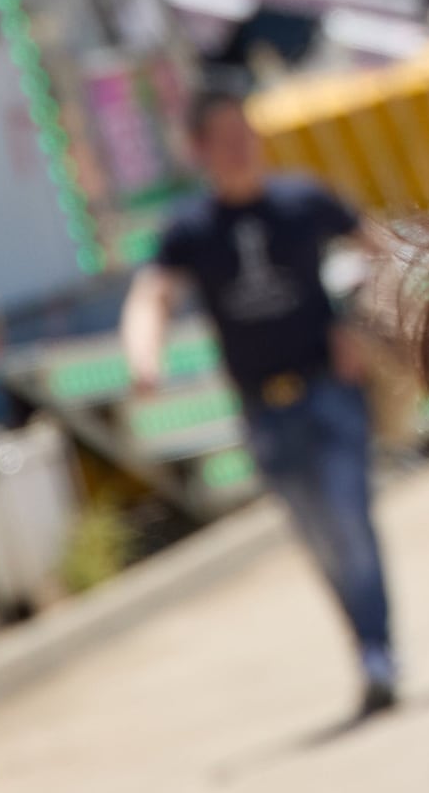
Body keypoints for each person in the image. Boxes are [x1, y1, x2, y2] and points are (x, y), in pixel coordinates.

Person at [135, 88, 396, 720]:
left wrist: (360, 324)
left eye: (243, 132)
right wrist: (146, 357)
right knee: (320, 539)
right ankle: (366, 645)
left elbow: (379, 248)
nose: (238, 146)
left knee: (350, 522)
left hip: (330, 394)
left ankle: (377, 655)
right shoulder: (192, 230)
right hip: (263, 411)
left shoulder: (302, 200)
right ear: (199, 150)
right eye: (222, 136)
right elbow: (153, 295)